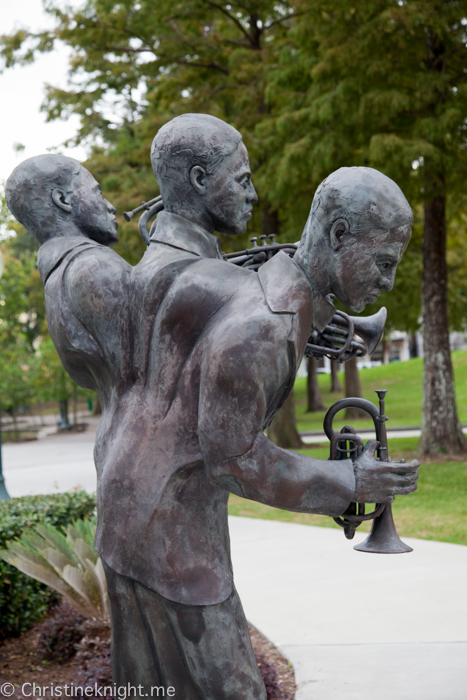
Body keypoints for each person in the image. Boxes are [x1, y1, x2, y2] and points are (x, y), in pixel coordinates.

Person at [6, 119, 419, 698]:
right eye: (382, 263)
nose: (388, 281)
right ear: (341, 234)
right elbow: (235, 459)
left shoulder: (188, 276)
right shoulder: (252, 313)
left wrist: (303, 317)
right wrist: (351, 480)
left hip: (130, 512)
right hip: (172, 537)